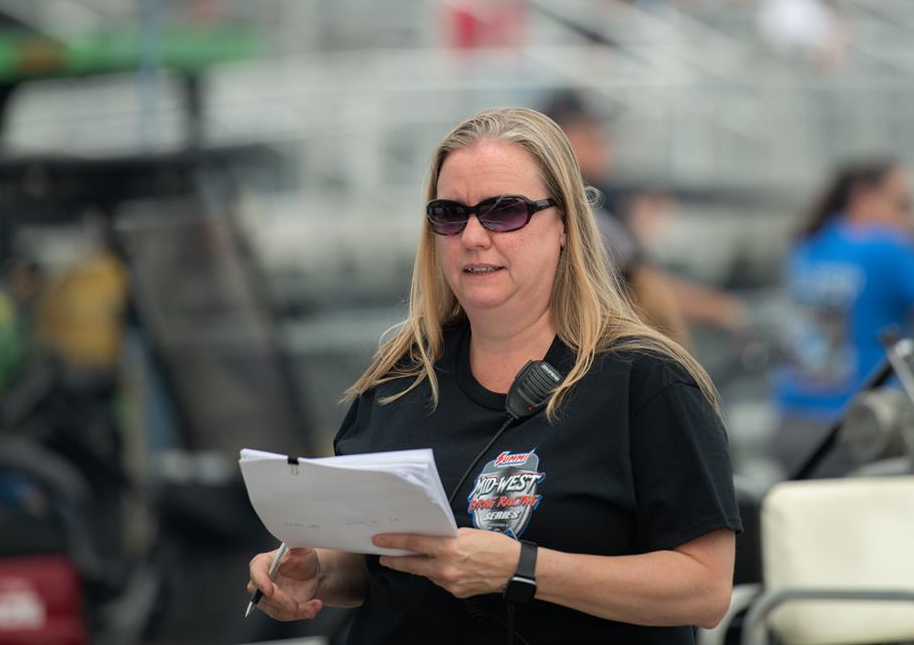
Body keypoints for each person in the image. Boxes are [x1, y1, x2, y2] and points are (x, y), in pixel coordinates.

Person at [247, 108, 741, 643]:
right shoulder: (399, 380)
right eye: (450, 214)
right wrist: (317, 573)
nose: (473, 236)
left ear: (565, 225)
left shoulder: (647, 381)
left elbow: (704, 588)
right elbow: (380, 565)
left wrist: (521, 569)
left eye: (504, 212)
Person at [541, 91, 746, 342]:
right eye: (591, 138)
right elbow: (643, 289)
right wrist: (719, 309)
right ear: (564, 141)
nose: (605, 147)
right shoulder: (589, 216)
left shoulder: (593, 207)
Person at [772, 160, 914, 475]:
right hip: (861, 430)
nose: (908, 218)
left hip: (792, 420)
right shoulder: (885, 249)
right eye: (901, 204)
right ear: (863, 198)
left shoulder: (809, 243)